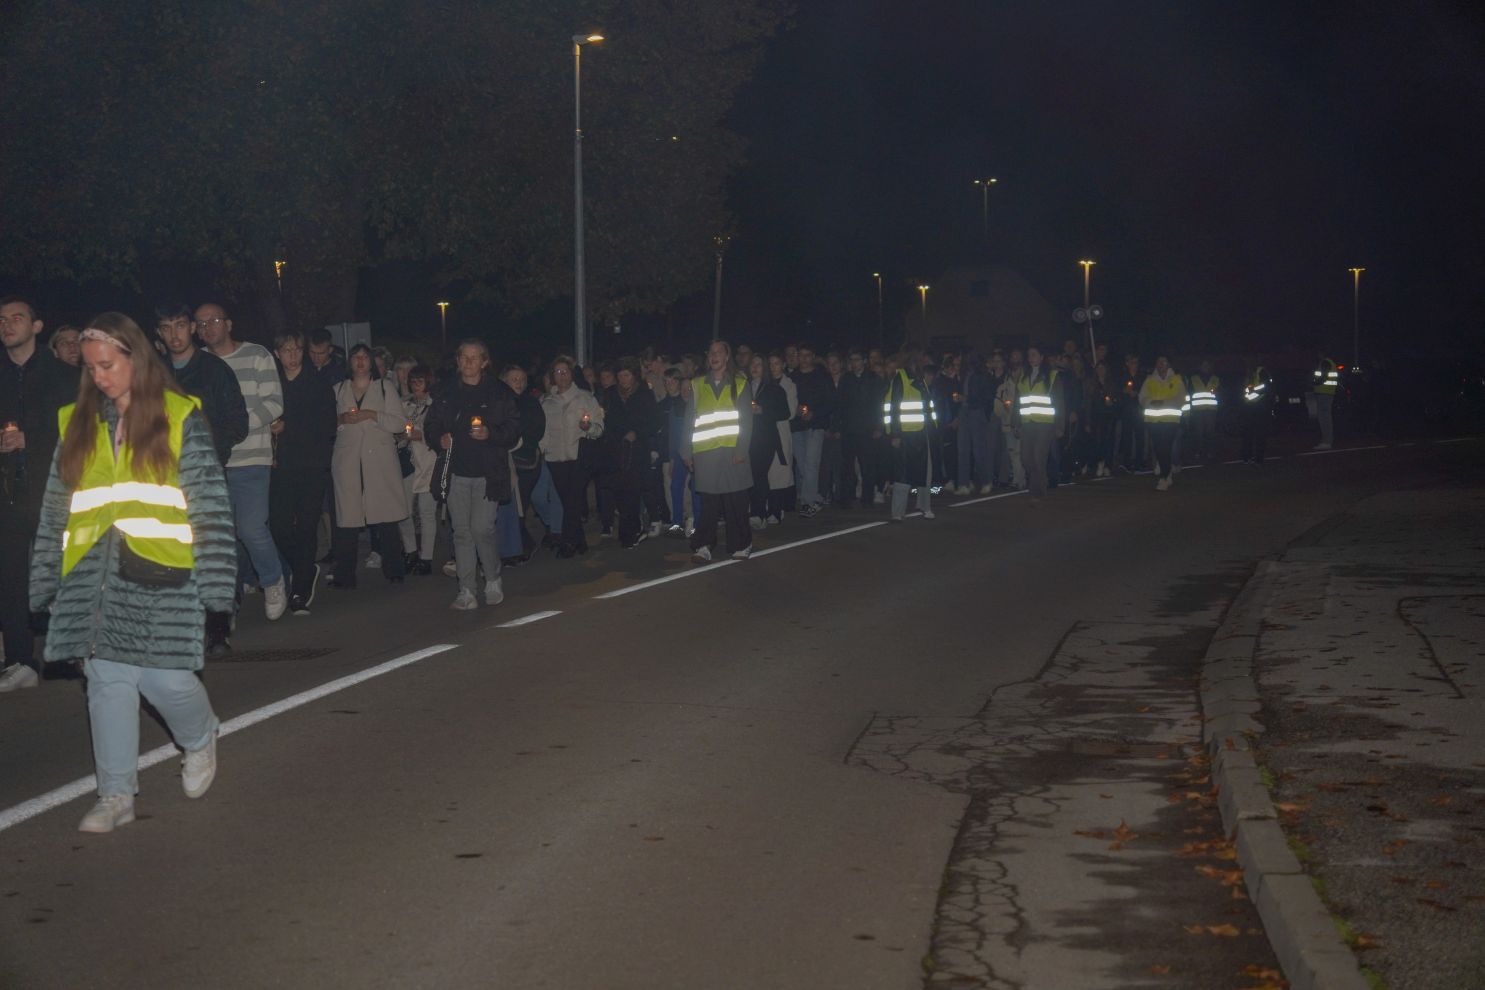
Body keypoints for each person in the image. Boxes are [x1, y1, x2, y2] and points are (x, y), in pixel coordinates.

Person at [29, 314, 235, 833]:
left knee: (165, 678)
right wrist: (47, 581)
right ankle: (116, 793)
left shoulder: (178, 416)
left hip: (164, 572)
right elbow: (56, 510)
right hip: (94, 577)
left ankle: (199, 735)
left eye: (108, 365)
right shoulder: (74, 423)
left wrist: (215, 587)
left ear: (135, 359)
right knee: (107, 680)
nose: (99, 376)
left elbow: (208, 505)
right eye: (91, 367)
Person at [0, 296, 77, 692]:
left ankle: (76, 647)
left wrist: (32, 438)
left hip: (53, 486)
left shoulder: (61, 375)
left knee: (65, 569)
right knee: (9, 575)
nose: (8, 324)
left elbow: (78, 430)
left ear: (36, 326)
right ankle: (19, 659)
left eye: (17, 317)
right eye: (2, 319)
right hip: (9, 490)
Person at [194, 301, 287, 619]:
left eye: (214, 320)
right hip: (210, 463)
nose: (207, 327)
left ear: (229, 324)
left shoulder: (257, 355)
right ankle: (227, 599)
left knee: (250, 527)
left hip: (251, 458)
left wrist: (236, 426)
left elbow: (274, 403)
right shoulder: (197, 364)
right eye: (201, 323)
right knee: (219, 535)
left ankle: (272, 580)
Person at [422, 340, 521, 607]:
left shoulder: (499, 392)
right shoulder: (445, 392)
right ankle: (466, 589)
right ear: (458, 361)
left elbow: (513, 428)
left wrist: (491, 433)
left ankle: (492, 577)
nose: (468, 363)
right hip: (456, 471)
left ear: (484, 362)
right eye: (464, 358)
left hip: (488, 473)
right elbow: (430, 424)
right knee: (462, 532)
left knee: (482, 529)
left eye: (474, 358)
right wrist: (437, 438)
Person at [329, 343, 410, 588]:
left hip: (380, 460)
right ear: (350, 363)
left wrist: (372, 415)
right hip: (348, 460)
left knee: (386, 516)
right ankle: (344, 574)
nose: (361, 361)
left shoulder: (385, 388)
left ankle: (394, 568)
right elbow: (323, 425)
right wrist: (342, 419)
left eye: (365, 357)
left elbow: (399, 423)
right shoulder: (338, 389)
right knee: (347, 520)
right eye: (356, 357)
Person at [268, 331, 337, 613]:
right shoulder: (271, 385)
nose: (292, 355)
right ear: (277, 354)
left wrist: (289, 427)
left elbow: (327, 426)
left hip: (311, 465)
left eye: (297, 349)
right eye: (286, 350)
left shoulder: (318, 384)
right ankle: (304, 566)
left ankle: (300, 590)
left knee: (307, 526)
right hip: (280, 466)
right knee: (279, 526)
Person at [154, 302, 249, 469]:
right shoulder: (154, 373)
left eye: (180, 326)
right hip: (165, 472)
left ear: (192, 328)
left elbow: (238, 424)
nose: (174, 335)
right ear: (159, 332)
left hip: (207, 470)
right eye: (167, 328)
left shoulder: (214, 369)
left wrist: (203, 446)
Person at [683, 340, 754, 561]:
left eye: (718, 353)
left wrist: (741, 449)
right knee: (709, 504)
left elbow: (746, 419)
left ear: (726, 357)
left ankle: (741, 543)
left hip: (733, 450)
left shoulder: (740, 382)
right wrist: (686, 452)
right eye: (710, 353)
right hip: (706, 453)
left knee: (736, 500)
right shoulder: (697, 384)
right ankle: (704, 545)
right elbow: (689, 420)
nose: (713, 356)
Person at [539, 355, 605, 558]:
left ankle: (568, 543)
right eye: (558, 372)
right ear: (552, 377)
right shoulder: (546, 401)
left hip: (579, 456)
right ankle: (580, 541)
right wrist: (541, 450)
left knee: (574, 499)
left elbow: (599, 427)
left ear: (571, 374)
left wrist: (589, 427)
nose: (562, 376)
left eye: (565, 371)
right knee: (568, 501)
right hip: (555, 458)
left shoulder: (585, 397)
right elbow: (544, 431)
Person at [601, 358, 660, 548]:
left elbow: (654, 421)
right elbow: (606, 420)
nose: (623, 379)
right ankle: (628, 529)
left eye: (626, 375)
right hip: (616, 450)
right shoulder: (611, 394)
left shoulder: (644, 394)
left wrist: (637, 432)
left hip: (637, 451)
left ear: (634, 376)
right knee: (620, 491)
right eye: (620, 376)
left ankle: (631, 532)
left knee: (632, 491)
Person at [395, 365, 439, 574]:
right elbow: (395, 429)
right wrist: (401, 436)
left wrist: (420, 435)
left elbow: (440, 433)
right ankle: (411, 551)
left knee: (426, 511)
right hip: (407, 463)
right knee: (403, 510)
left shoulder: (436, 405)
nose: (416, 385)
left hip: (428, 463)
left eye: (420, 381)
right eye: (413, 381)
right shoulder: (404, 404)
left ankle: (426, 558)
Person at [882, 351, 936, 520]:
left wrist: (932, 429)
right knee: (902, 474)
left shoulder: (920, 379)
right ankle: (898, 512)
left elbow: (928, 407)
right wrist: (894, 434)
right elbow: (892, 408)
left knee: (924, 472)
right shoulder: (901, 378)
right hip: (904, 434)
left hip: (921, 432)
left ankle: (924, 506)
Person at [745, 354, 790, 529]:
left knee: (759, 473)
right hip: (747, 438)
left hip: (765, 438)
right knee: (749, 475)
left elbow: (784, 413)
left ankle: (758, 514)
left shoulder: (774, 389)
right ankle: (753, 510)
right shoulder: (744, 387)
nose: (755, 368)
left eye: (759, 364)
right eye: (753, 364)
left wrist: (762, 410)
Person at [1014, 345, 1063, 500]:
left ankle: (1038, 491)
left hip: (1045, 424)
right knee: (1026, 458)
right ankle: (1040, 483)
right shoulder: (1023, 377)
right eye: (1029, 355)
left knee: (1038, 457)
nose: (1030, 358)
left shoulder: (1052, 376)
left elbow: (1059, 402)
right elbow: (1017, 401)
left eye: (1034, 355)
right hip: (1027, 423)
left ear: (1042, 357)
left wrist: (1060, 425)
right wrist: (1015, 423)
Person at [789, 345, 832, 517]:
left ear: (813, 356)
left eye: (808, 355)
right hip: (798, 427)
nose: (804, 359)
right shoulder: (792, 377)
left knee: (811, 463)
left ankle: (808, 502)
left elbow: (830, 401)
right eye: (801, 355)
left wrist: (814, 413)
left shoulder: (822, 376)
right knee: (802, 464)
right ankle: (813, 496)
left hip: (816, 425)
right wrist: (796, 409)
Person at [1139, 355, 1186, 491]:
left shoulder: (1176, 380)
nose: (1161, 365)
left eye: (1164, 362)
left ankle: (1164, 477)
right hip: (1153, 420)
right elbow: (1142, 397)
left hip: (1170, 420)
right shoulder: (1149, 380)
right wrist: (1151, 402)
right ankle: (1167, 472)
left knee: (1165, 447)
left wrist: (1164, 402)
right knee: (1158, 448)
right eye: (1159, 363)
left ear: (1168, 365)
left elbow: (1181, 398)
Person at [953, 351, 994, 495]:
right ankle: (963, 483)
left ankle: (986, 481)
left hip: (976, 413)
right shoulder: (965, 375)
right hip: (965, 412)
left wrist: (965, 399)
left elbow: (984, 398)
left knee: (978, 450)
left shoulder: (981, 376)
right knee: (962, 449)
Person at [1087, 362, 1121, 477]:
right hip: (1096, 416)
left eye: (1103, 368)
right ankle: (1098, 462)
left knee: (1109, 440)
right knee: (1097, 440)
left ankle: (1107, 464)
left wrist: (1112, 402)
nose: (1100, 370)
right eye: (1099, 368)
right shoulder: (1092, 384)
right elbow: (1088, 402)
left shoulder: (1111, 384)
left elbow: (1117, 398)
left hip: (1109, 416)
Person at [1184, 359, 1221, 464]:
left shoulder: (1215, 378)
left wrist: (1218, 394)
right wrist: (1189, 409)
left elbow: (1220, 393)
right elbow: (1189, 394)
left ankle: (1210, 452)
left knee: (1210, 432)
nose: (1205, 367)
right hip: (1198, 410)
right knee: (1198, 433)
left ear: (1210, 366)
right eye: (1203, 365)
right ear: (1199, 366)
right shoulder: (1193, 378)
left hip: (1211, 410)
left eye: (1207, 365)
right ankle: (1198, 452)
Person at [1240, 363, 1274, 465]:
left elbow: (1267, 386)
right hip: (1249, 407)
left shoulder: (1261, 372)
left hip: (1261, 407)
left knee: (1260, 433)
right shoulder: (1248, 374)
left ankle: (1259, 458)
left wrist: (1254, 389)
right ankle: (1247, 457)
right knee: (1248, 433)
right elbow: (1244, 391)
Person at [1311, 350, 1339, 449]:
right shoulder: (1330, 362)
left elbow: (1323, 377)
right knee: (1325, 417)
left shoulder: (1325, 362)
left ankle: (1326, 441)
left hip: (1324, 393)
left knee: (1324, 418)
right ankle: (1327, 440)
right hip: (1327, 392)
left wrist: (1314, 383)